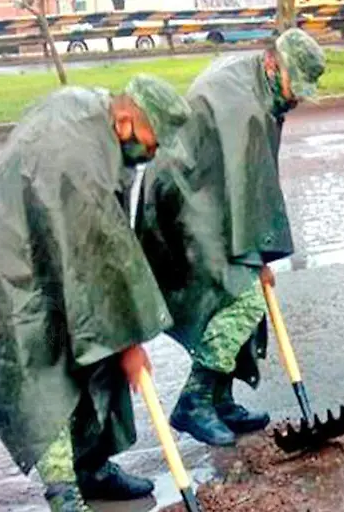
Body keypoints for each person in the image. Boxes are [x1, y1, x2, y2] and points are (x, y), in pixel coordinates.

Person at [0, 75, 191, 512]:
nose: (152, 154)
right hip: (7, 267)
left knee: (89, 361)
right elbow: (98, 264)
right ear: (127, 120)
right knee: (43, 385)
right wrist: (129, 341)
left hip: (42, 247)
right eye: (152, 142)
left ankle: (92, 470)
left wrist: (120, 336)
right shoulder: (81, 161)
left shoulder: (90, 112)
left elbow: (101, 246)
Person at [135, 28, 326, 447]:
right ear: (276, 64)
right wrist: (255, 256)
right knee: (241, 299)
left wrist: (259, 254)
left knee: (238, 293)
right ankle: (195, 400)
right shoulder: (247, 107)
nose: (296, 99)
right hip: (183, 206)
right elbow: (245, 189)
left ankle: (221, 398)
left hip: (204, 196)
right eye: (297, 87)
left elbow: (252, 183)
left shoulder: (257, 83)